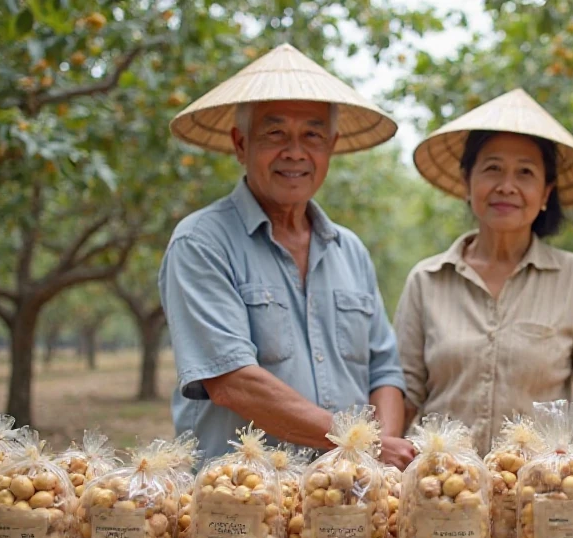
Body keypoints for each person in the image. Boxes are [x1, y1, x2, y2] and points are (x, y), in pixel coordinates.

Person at [161, 43, 415, 468]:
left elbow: (384, 371)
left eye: (312, 135)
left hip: (344, 503)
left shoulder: (348, 250)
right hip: (240, 502)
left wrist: (378, 458)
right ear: (241, 144)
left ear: (331, 146)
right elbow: (232, 383)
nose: (295, 152)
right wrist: (359, 444)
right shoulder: (201, 242)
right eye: (275, 134)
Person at [395, 88, 573, 455]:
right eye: (492, 168)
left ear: (546, 192)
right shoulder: (427, 279)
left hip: (542, 487)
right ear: (467, 181)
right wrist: (378, 456)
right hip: (443, 488)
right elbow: (405, 387)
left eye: (525, 172)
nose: (506, 186)